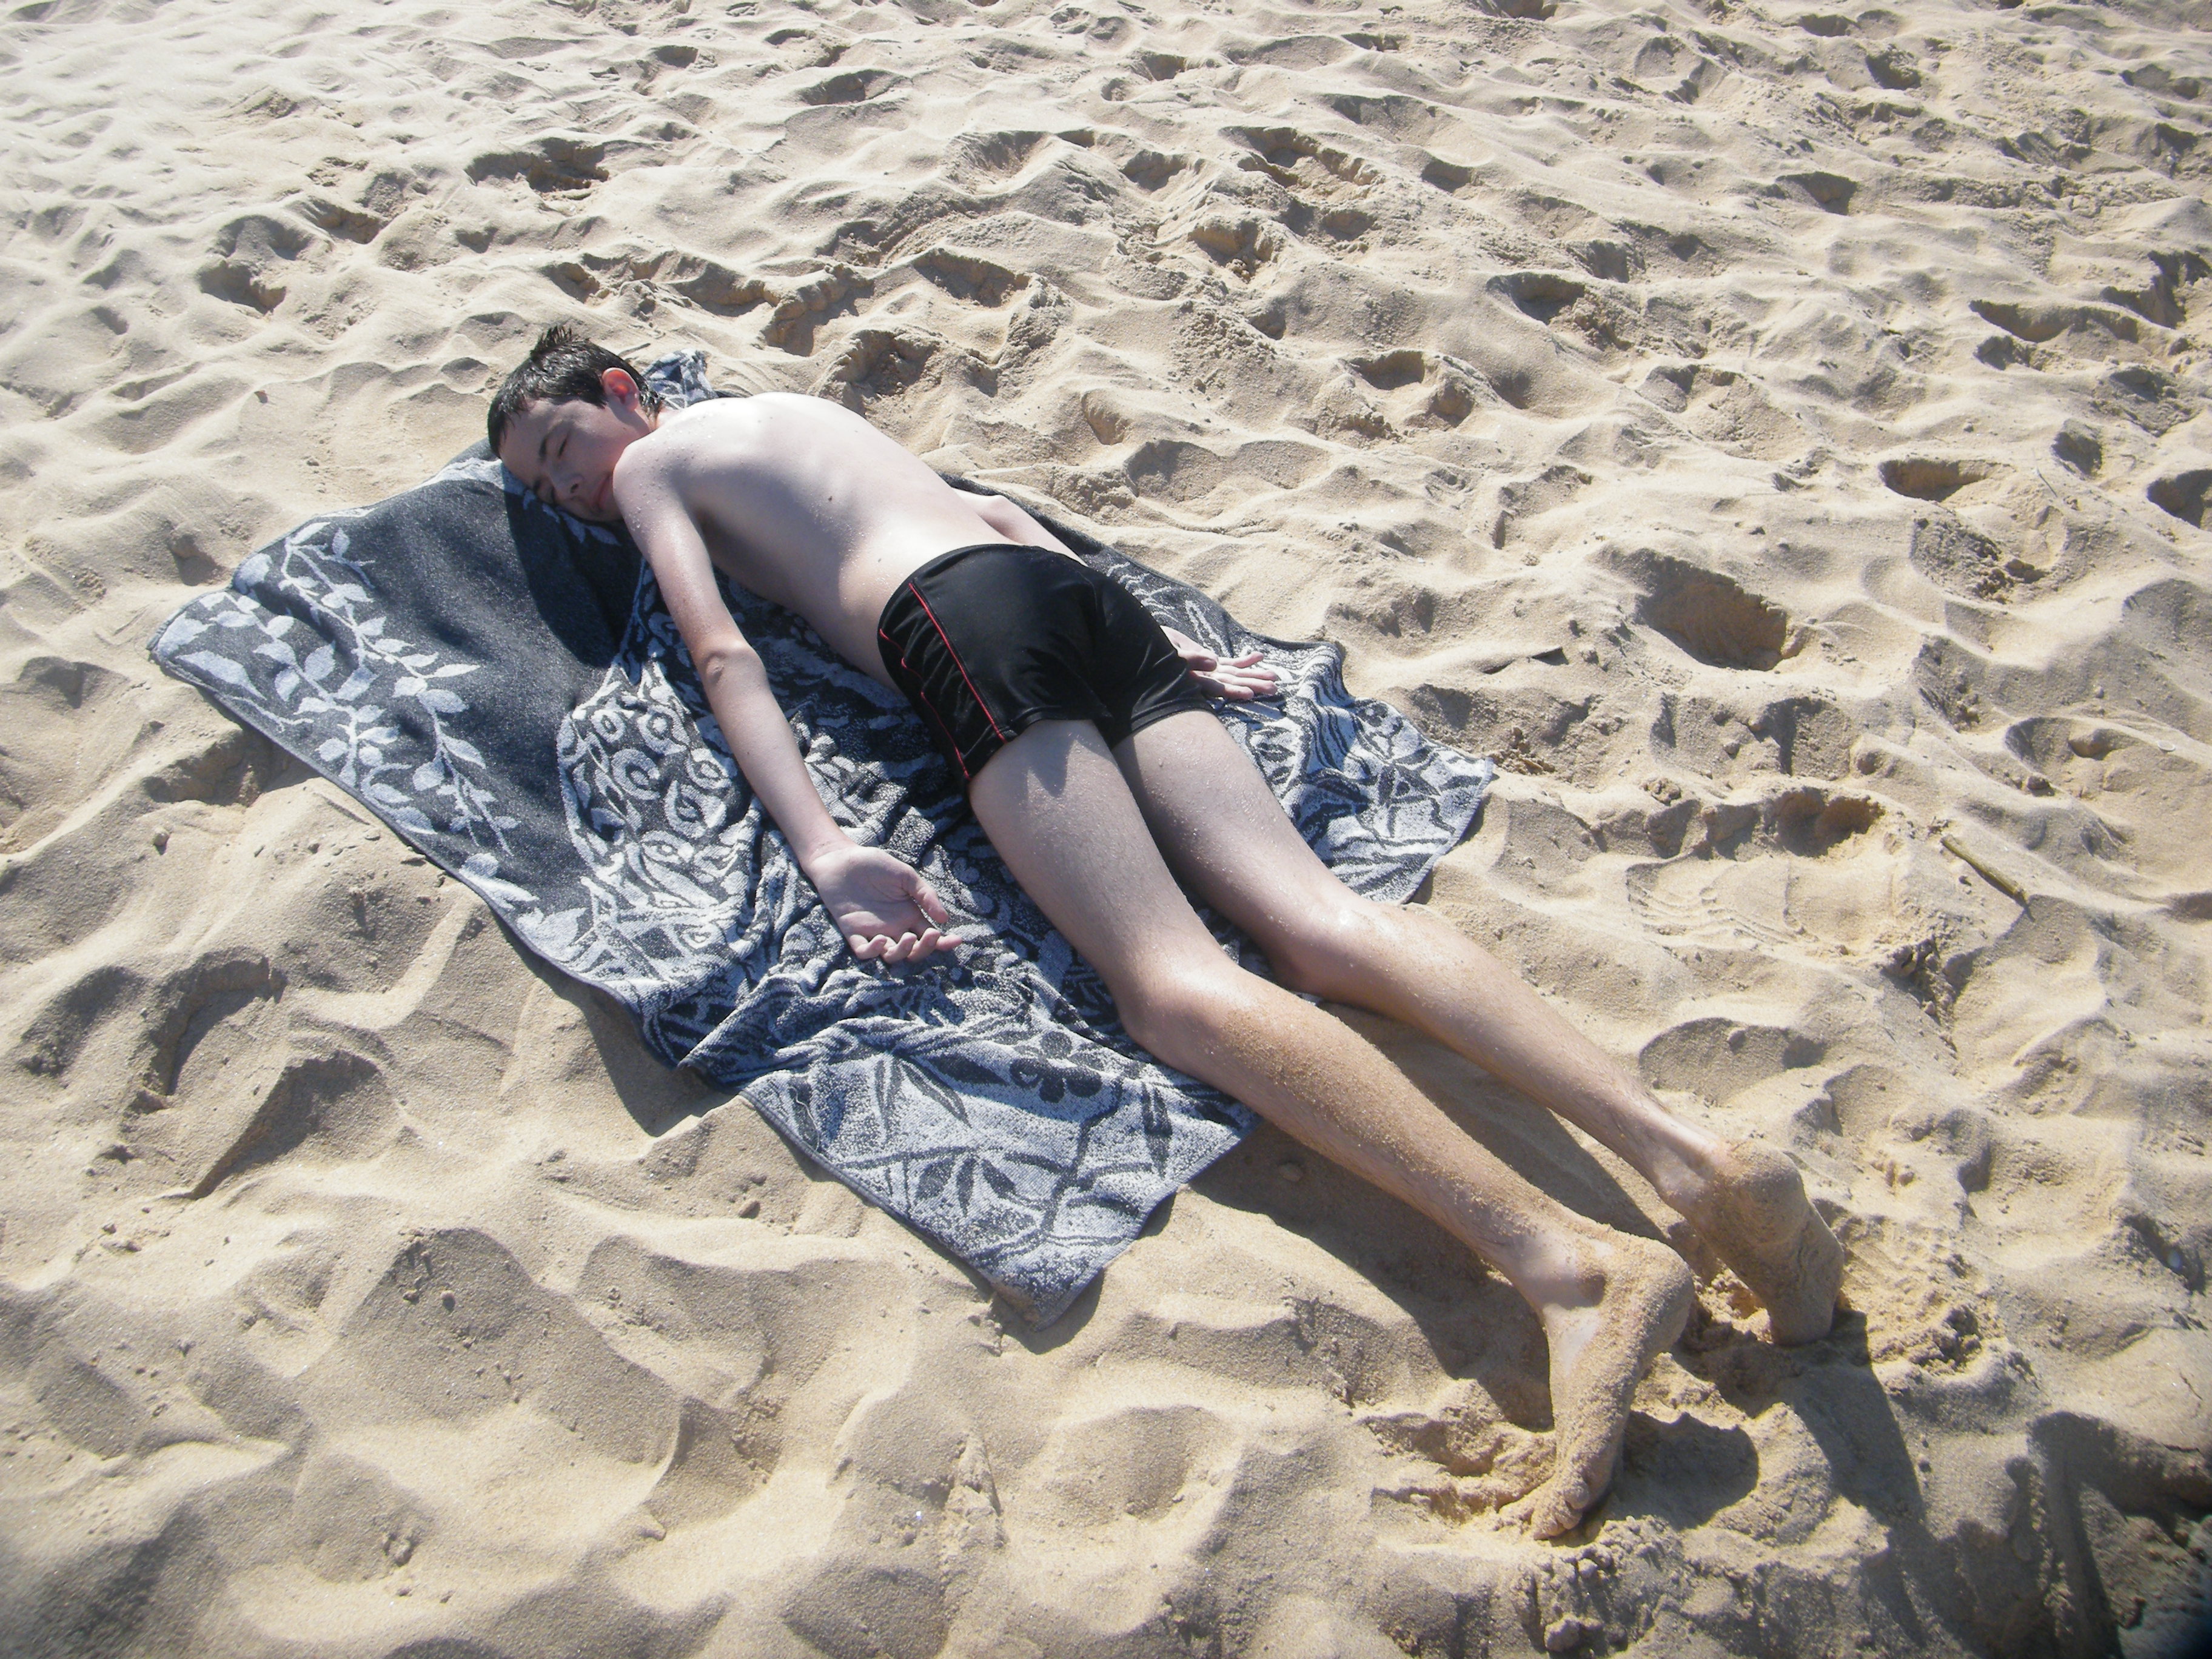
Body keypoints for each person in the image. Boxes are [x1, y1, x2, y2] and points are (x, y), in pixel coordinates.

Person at [489, 324, 1845, 1538]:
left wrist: (825, 846)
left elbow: (721, 651)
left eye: (563, 449)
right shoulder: (794, 412)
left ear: (624, 390)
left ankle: (1567, 1267)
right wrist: (1160, 646)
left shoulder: (661, 463)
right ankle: (1697, 1160)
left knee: (1172, 985)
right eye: (544, 489)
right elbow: (997, 508)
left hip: (955, 625)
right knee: (1320, 919)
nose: (572, 490)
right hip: (1071, 600)